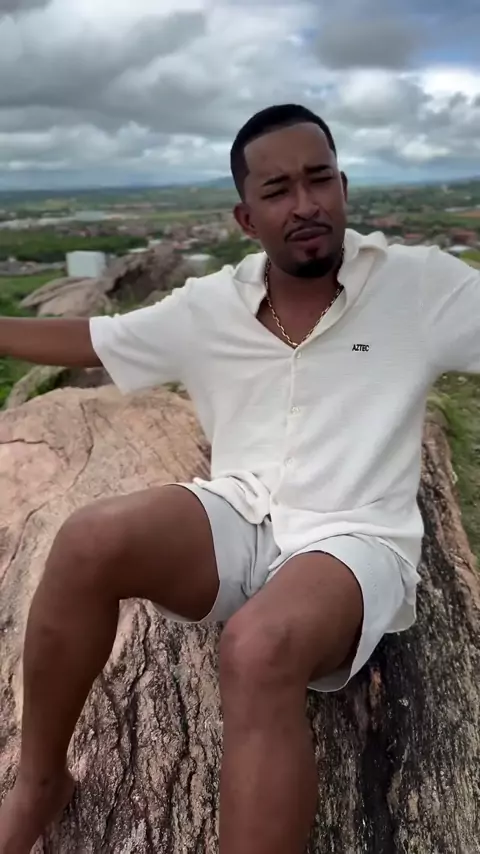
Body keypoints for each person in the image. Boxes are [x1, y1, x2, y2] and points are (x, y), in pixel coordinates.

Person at [0, 102, 479, 854]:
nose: (306, 203)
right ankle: (39, 782)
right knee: (89, 539)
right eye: (279, 190)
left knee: (258, 647)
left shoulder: (417, 288)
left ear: (344, 187)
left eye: (320, 179)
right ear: (247, 218)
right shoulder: (211, 307)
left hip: (355, 539)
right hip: (242, 512)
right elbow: (93, 338)